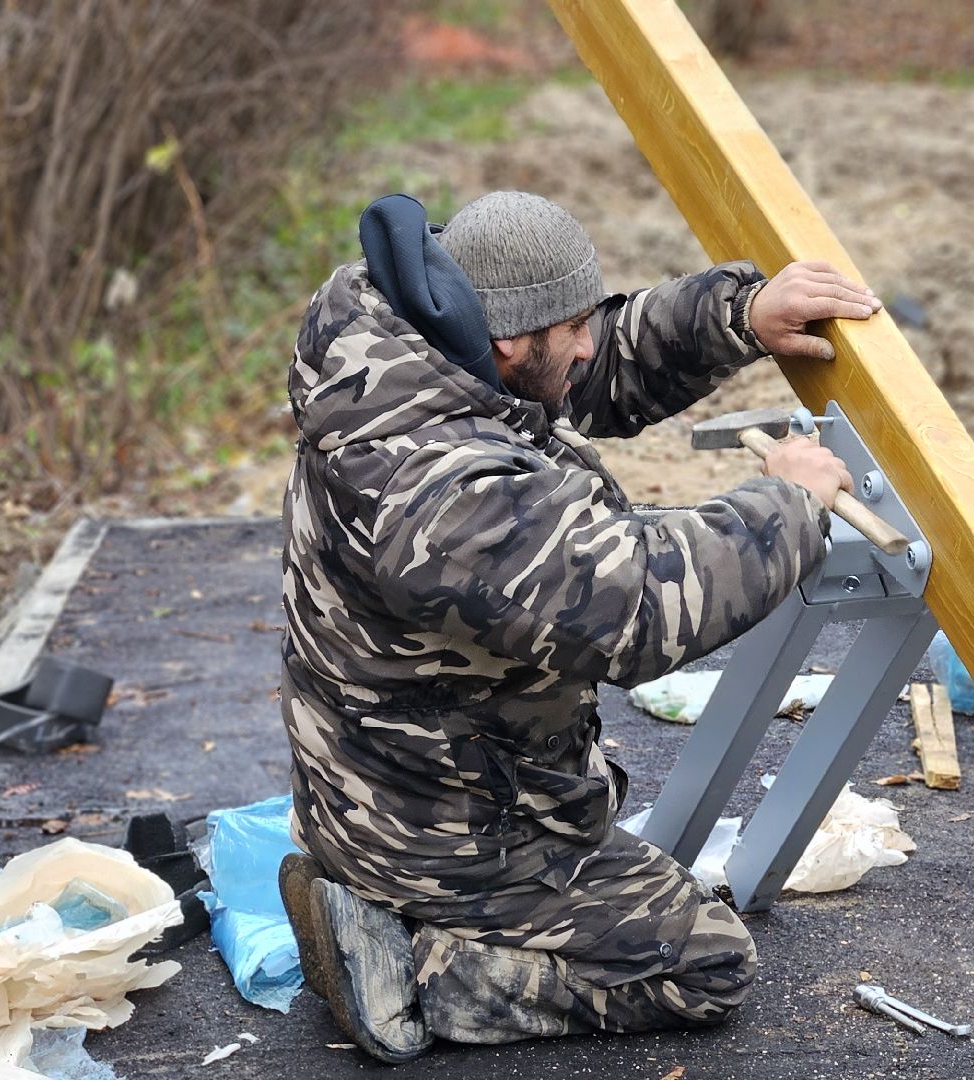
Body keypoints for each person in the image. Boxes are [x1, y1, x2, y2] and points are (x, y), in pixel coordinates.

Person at [278, 190, 879, 1061]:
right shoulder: (443, 497)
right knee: (706, 964)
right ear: (508, 339)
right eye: (572, 327)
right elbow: (634, 606)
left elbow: (572, 373)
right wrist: (788, 505)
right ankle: (419, 966)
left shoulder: (411, 349)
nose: (590, 342)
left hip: (380, 780)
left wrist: (740, 315)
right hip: (442, 832)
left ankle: (372, 892)